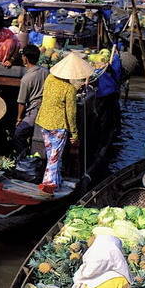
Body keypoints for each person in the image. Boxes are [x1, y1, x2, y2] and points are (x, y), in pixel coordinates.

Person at [35, 53, 93, 193]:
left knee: (52, 154)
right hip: (58, 126)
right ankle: (48, 184)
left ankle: (57, 180)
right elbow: (71, 114)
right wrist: (74, 133)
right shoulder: (69, 89)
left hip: (44, 121)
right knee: (54, 157)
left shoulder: (49, 79)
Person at [13, 45, 49, 155]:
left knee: (18, 135)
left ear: (25, 58)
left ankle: (24, 158)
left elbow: (21, 102)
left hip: (34, 112)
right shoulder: (46, 71)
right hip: (46, 109)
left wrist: (19, 118)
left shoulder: (26, 79)